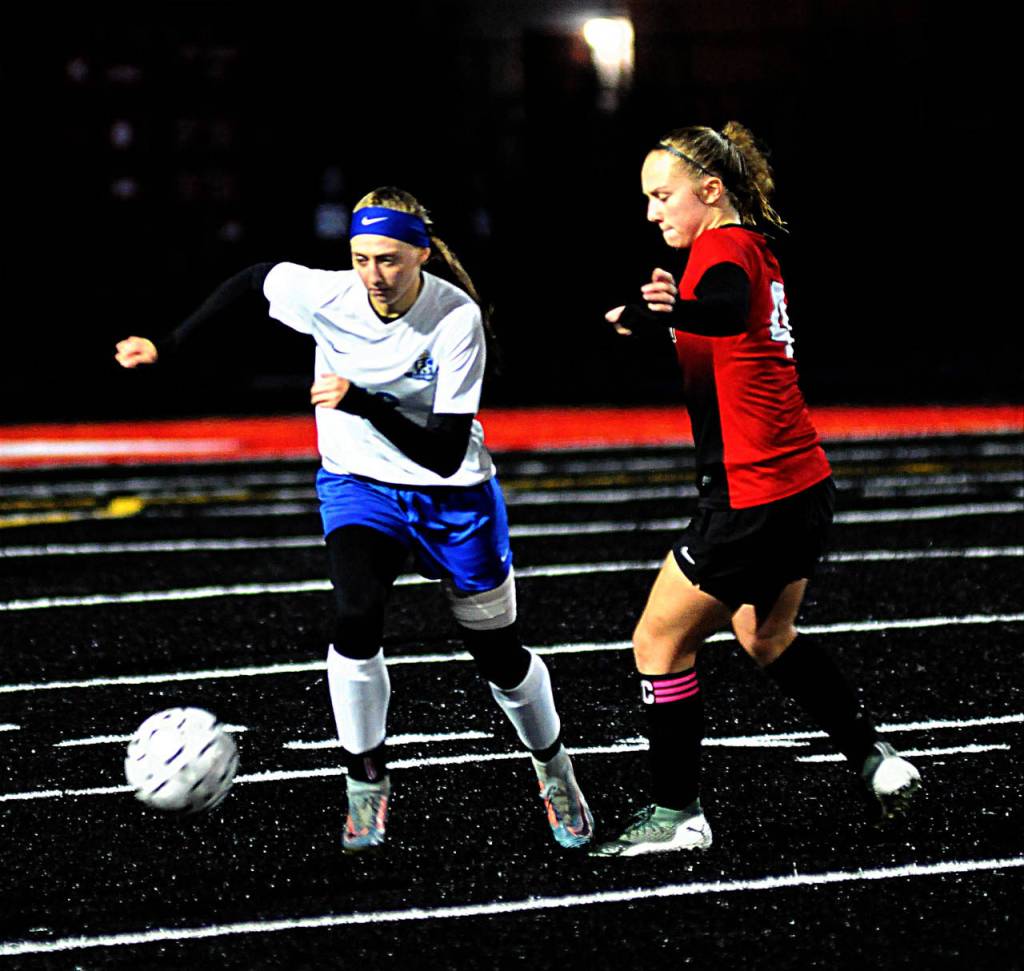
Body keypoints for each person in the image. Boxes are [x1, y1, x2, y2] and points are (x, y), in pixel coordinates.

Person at [115, 186, 593, 854]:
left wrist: (360, 401)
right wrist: (168, 345)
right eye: (362, 256)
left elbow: (444, 449)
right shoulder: (329, 293)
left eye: (391, 259)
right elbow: (254, 283)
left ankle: (554, 768)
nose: (374, 274)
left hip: (452, 496)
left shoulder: (456, 318)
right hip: (358, 485)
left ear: (422, 253)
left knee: (500, 656)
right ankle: (365, 782)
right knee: (355, 617)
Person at [589, 123, 920, 858]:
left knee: (657, 639)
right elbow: (724, 333)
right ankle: (876, 758)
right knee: (764, 634)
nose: (652, 211)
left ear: (709, 191)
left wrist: (674, 311)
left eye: (662, 194)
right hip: (802, 485)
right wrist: (652, 321)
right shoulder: (750, 250)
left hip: (752, 494)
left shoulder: (722, 249)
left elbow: (727, 311)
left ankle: (677, 813)